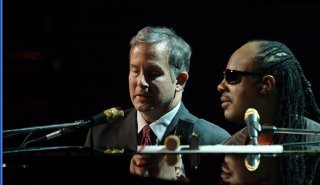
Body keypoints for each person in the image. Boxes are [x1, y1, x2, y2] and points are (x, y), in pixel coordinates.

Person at [85, 26, 231, 183]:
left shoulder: (216, 141)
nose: (141, 82)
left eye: (153, 73)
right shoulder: (100, 133)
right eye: (135, 71)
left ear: (180, 81)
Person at [217, 40, 320, 185]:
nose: (220, 86)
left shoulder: (314, 142)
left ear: (266, 85)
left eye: (232, 76)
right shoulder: (230, 147)